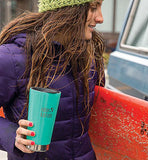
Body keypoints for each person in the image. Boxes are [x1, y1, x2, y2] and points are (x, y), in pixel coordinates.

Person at [0, 0, 105, 159]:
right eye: (92, 8)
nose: (100, 18)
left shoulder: (89, 56)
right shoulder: (12, 57)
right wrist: (11, 135)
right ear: (67, 10)